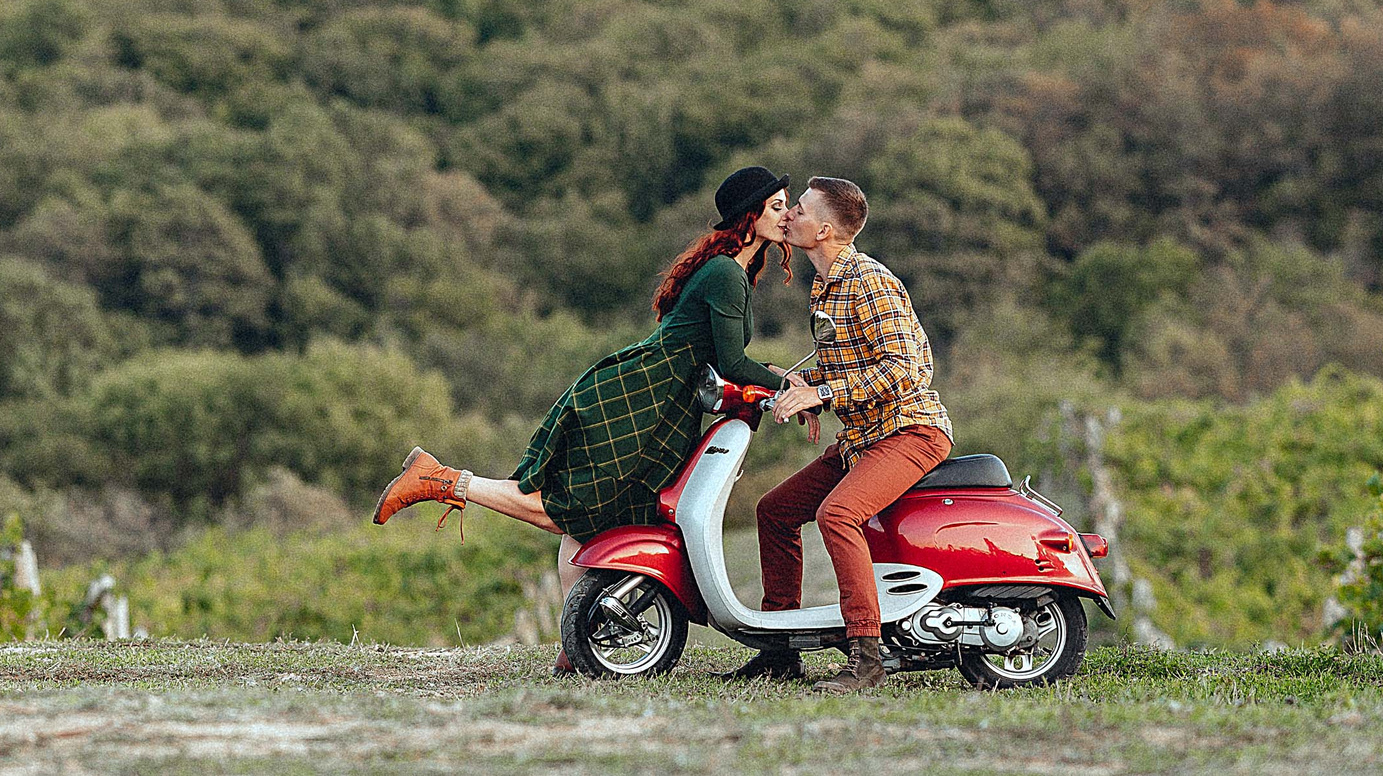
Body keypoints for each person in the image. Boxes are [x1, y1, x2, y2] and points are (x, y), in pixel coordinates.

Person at [372, 165, 802, 671]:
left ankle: (575, 647)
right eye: (777, 206)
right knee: (565, 509)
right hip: (644, 398)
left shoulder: (733, 270)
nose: (786, 215)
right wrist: (791, 389)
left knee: (590, 523)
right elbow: (731, 362)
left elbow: (719, 356)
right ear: (749, 215)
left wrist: (773, 376)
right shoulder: (727, 273)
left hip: (659, 397)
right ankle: (442, 480)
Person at [738, 175, 951, 693]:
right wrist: (797, 384)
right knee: (775, 512)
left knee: (837, 514)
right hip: (862, 437)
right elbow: (848, 365)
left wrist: (824, 393)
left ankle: (867, 659)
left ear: (825, 231)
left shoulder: (868, 281)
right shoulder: (826, 284)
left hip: (909, 431)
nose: (789, 215)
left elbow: (905, 369)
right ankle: (780, 653)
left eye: (800, 210)